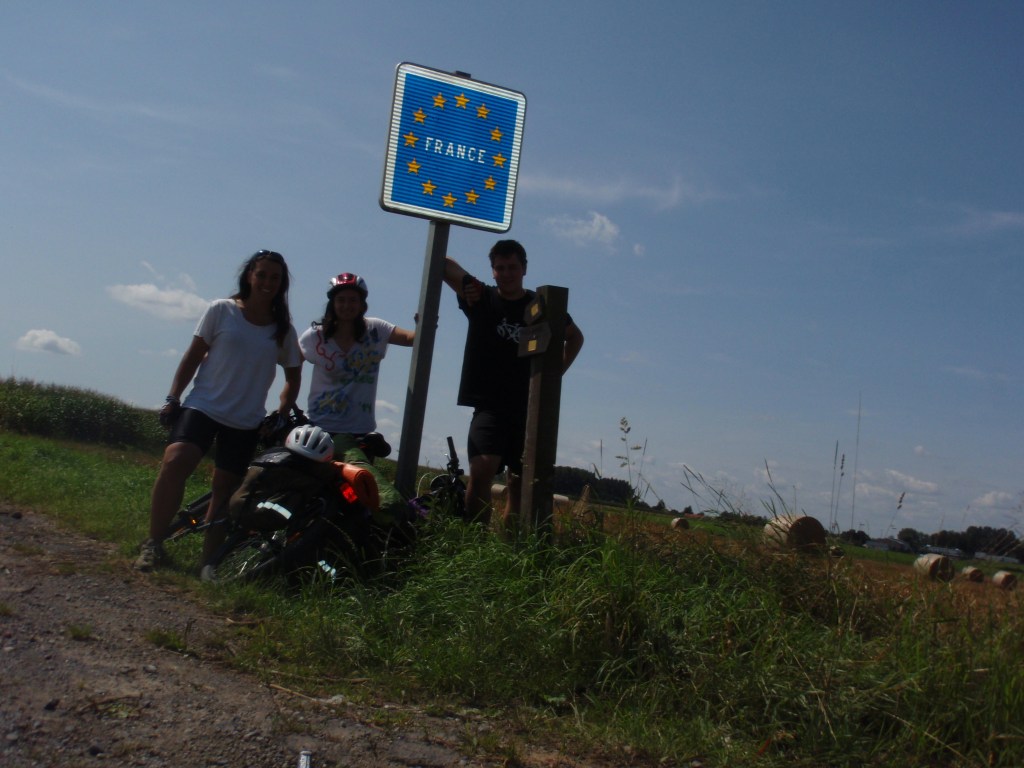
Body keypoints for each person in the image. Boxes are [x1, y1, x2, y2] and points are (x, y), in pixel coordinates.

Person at [135, 249, 302, 571]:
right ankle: (153, 544)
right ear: (249, 276)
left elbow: (293, 378)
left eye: (275, 278)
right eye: (262, 274)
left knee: (224, 490)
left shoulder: (283, 330)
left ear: (282, 285)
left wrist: (281, 413)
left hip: (245, 419)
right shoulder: (222, 310)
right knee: (175, 461)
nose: (267, 282)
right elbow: (193, 355)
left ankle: (207, 565)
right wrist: (173, 397)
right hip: (204, 405)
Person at [443, 239, 584, 530]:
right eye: (500, 268)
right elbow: (441, 263)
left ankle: (509, 552)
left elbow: (575, 337)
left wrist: (554, 378)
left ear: (525, 269)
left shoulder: (540, 306)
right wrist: (468, 282)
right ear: (492, 271)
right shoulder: (481, 298)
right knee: (482, 469)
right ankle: (472, 543)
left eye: (513, 267)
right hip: (490, 405)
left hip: (528, 409)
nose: (507, 273)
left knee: (519, 485)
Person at [298, 272, 414, 524]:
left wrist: (426, 322)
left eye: (353, 300)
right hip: (321, 427)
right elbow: (291, 362)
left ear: (362, 305)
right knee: (321, 491)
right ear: (332, 304)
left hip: (359, 431)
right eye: (341, 300)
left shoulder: (375, 330)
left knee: (355, 499)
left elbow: (411, 339)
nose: (347, 305)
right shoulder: (315, 336)